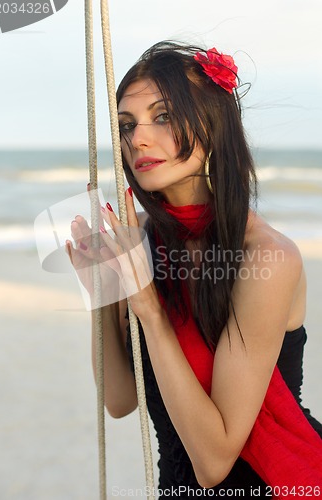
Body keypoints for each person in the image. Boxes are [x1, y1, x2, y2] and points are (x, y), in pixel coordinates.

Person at [66, 42, 322, 498]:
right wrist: (102, 295)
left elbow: (214, 463)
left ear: (213, 125)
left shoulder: (265, 256)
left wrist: (150, 308)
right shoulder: (136, 240)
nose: (138, 138)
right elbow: (120, 400)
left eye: (162, 116)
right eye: (126, 126)